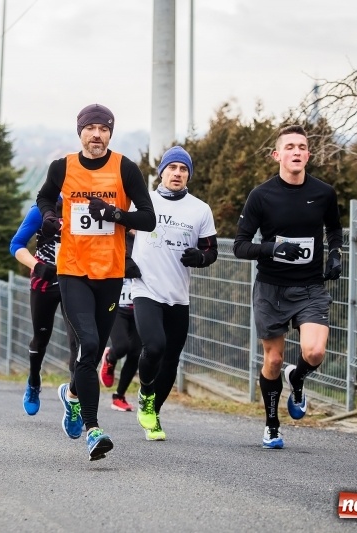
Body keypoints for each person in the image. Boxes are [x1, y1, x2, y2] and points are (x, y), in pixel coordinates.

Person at [35, 103, 155, 460]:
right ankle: (93, 428)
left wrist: (115, 214)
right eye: (91, 129)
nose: (97, 135)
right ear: (81, 133)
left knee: (93, 348)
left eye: (103, 129)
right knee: (88, 343)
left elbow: (147, 218)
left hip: (110, 273)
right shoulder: (63, 167)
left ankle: (72, 394)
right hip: (72, 270)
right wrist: (50, 215)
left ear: (110, 134)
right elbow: (44, 197)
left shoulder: (125, 168)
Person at [233, 125, 343, 449]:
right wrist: (272, 249)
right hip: (271, 289)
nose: (297, 152)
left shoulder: (324, 193)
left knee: (315, 351)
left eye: (302, 147)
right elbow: (239, 246)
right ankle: (271, 425)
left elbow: (334, 229)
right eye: (290, 147)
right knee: (274, 361)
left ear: (308, 154)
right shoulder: (261, 195)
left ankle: (298, 379)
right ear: (277, 155)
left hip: (310, 287)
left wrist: (335, 254)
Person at [129, 146, 218, 440]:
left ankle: (153, 414)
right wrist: (126, 261)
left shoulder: (200, 209)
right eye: (172, 168)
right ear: (162, 171)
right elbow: (120, 234)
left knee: (171, 359)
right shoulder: (144, 202)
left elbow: (211, 250)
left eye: (183, 169)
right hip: (146, 288)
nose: (177, 173)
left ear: (188, 175)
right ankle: (144, 392)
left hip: (179, 295)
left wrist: (201, 258)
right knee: (154, 346)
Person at [10, 197, 79, 416]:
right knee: (41, 337)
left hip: (76, 281)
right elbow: (16, 245)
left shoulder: (84, 206)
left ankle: (73, 396)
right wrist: (37, 266)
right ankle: (33, 381)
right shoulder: (41, 210)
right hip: (45, 280)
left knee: (77, 342)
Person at [98, 230, 142, 412]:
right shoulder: (114, 238)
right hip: (117, 307)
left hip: (140, 306)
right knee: (122, 346)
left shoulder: (146, 242)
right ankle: (110, 357)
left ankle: (119, 396)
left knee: (135, 353)